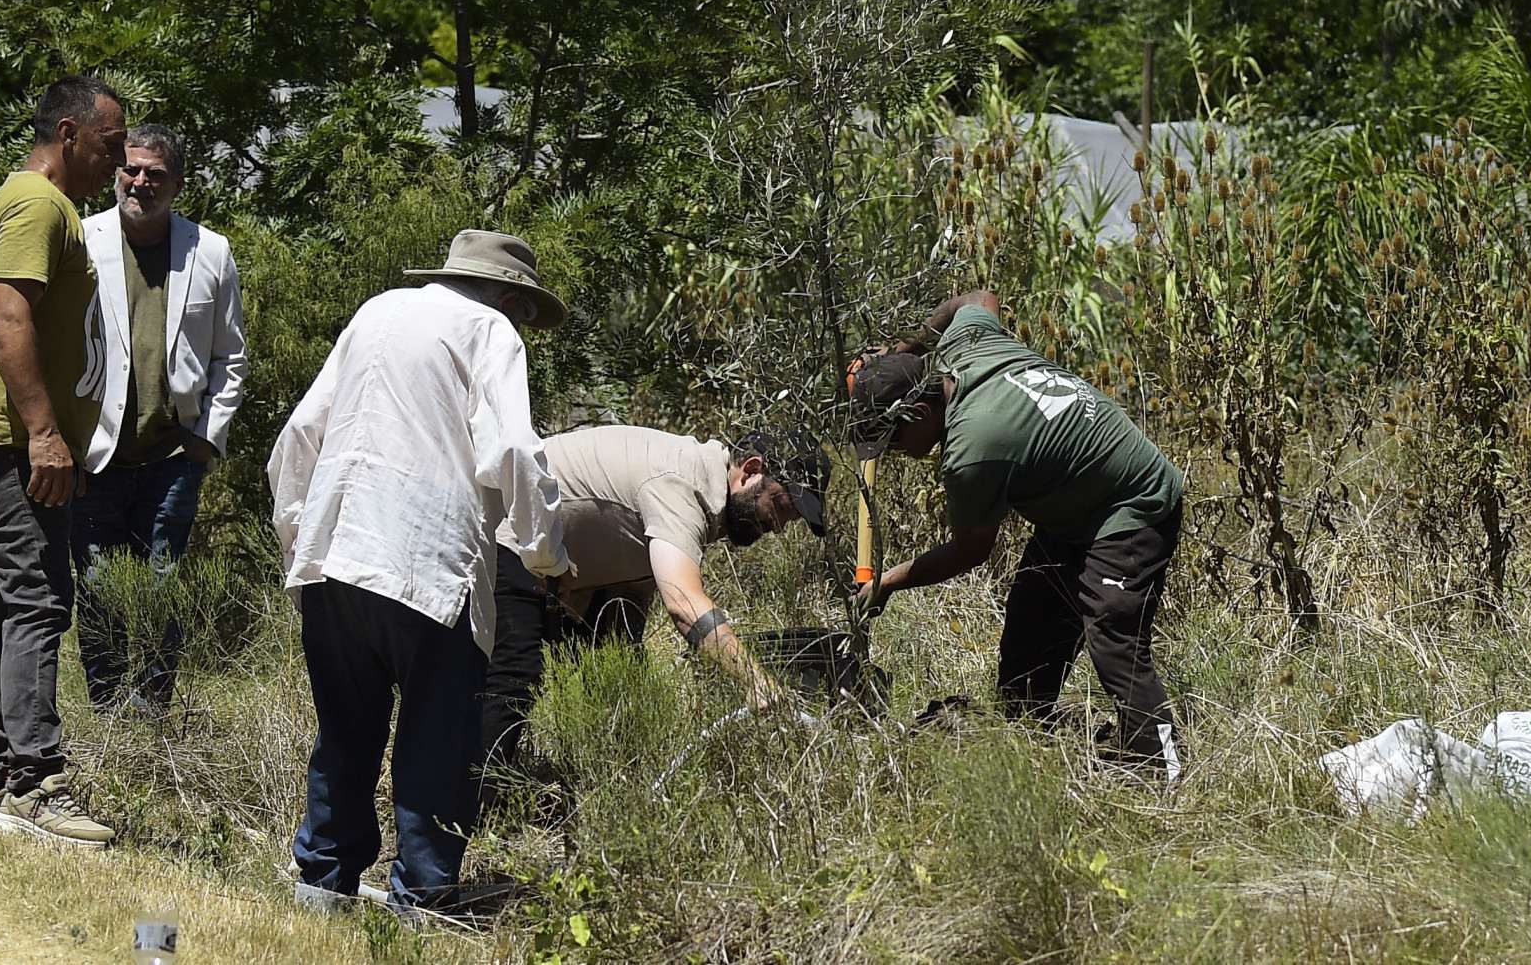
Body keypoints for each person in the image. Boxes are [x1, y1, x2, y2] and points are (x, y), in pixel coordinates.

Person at [268, 230, 572, 914]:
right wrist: (544, 551)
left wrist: (300, 538)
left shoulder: (376, 310)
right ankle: (423, 901)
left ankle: (322, 887)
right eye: (523, 308)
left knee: (345, 733)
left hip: (335, 552)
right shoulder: (490, 329)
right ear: (508, 295)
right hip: (428, 562)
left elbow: (299, 434)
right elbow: (516, 448)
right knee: (438, 742)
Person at [849, 288, 1185, 777]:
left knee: (1111, 628)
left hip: (1132, 504)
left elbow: (971, 551)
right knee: (1032, 624)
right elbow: (977, 297)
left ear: (919, 413)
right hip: (1073, 508)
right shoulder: (966, 344)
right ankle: (1032, 738)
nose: (894, 452)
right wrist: (906, 351)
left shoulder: (973, 448)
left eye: (892, 439)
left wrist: (888, 582)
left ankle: (1160, 765)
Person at [0, 77, 128, 847]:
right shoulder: (36, 205)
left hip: (4, 443)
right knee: (39, 602)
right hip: (11, 447)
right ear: (69, 132)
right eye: (110, 146)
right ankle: (35, 785)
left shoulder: (35, 203)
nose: (116, 164)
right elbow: (7, 313)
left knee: (14, 598)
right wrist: (45, 432)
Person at [478, 425, 829, 788]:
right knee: (515, 674)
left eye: (791, 520)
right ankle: (470, 801)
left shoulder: (702, 490)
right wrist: (756, 682)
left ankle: (606, 785)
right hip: (511, 537)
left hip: (550, 564)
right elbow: (682, 601)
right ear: (752, 471)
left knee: (618, 665)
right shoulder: (682, 484)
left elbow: (630, 580)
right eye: (781, 506)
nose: (778, 527)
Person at [73, 124, 247, 713]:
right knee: (96, 584)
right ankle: (104, 706)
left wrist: (207, 438)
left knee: (162, 584)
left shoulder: (210, 251)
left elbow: (231, 355)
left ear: (176, 184)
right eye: (132, 169)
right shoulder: (81, 238)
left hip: (174, 453)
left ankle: (152, 706)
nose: (140, 182)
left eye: (156, 174)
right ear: (117, 172)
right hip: (96, 451)